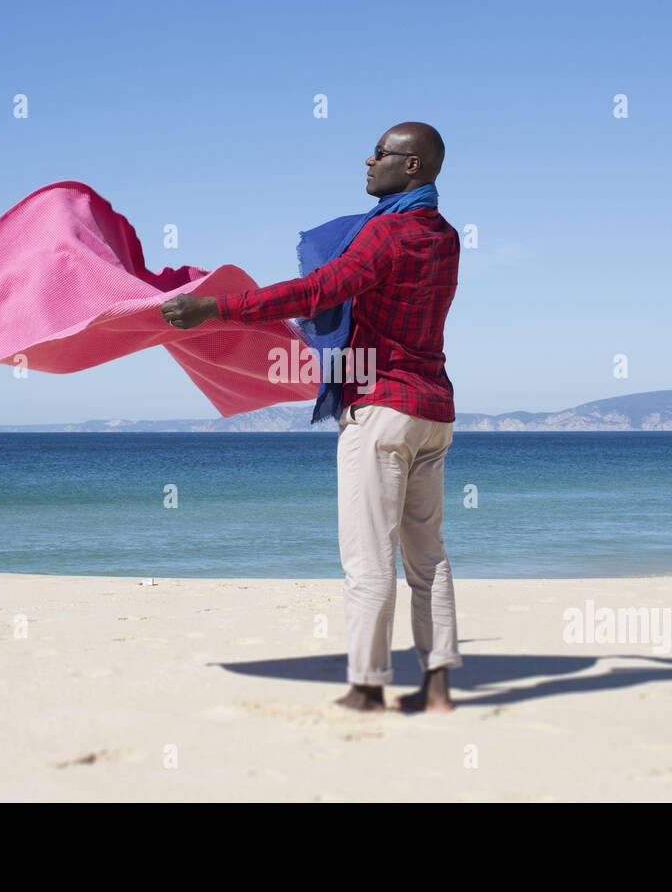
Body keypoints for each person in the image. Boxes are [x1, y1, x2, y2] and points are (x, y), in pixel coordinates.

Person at [160, 122, 460, 713]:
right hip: (434, 411)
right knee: (428, 557)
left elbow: (317, 291)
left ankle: (368, 687)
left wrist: (212, 309)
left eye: (382, 153)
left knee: (368, 558)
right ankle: (439, 686)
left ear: (413, 168)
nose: (367, 159)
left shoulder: (387, 236)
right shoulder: (446, 236)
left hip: (380, 411)